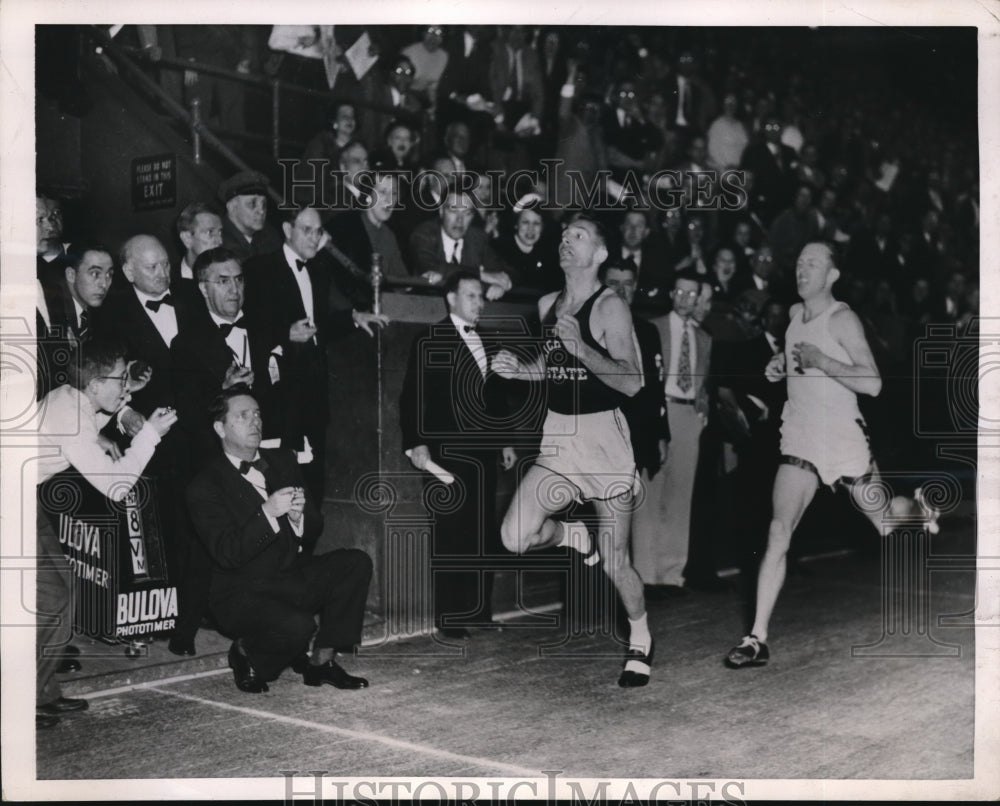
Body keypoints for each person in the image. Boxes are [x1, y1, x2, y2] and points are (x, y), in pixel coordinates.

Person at [724, 243, 939, 669]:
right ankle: (756, 638)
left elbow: (873, 383)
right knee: (778, 530)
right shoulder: (790, 316)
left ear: (832, 275)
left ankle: (919, 508)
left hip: (842, 437)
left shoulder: (842, 319)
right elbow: (794, 362)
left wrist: (821, 360)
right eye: (799, 262)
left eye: (813, 264)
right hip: (801, 435)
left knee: (883, 523)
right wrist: (779, 366)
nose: (802, 270)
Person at [492, 215, 654, 688]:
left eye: (578, 236)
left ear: (600, 254)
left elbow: (632, 381)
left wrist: (582, 347)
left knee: (616, 562)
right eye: (563, 236)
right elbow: (552, 363)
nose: (566, 242)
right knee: (514, 536)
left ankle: (640, 639)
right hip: (559, 435)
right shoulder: (549, 302)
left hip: (604, 438)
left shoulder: (610, 308)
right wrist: (521, 371)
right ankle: (571, 536)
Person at [185, 387, 372, 693]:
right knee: (299, 627)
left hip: (287, 574)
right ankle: (246, 653)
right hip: (240, 591)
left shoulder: (282, 460)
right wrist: (268, 514)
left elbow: (315, 526)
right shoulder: (205, 485)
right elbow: (228, 553)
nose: (254, 421)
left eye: (257, 414)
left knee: (355, 563)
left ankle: (321, 662)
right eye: (243, 416)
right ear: (220, 428)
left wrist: (298, 520)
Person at [36, 338, 177, 727]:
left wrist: (124, 395)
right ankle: (22, 699)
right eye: (119, 378)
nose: (125, 386)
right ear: (95, 383)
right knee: (49, 596)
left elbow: (86, 425)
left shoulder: (74, 398)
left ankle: (42, 693)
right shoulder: (72, 414)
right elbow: (116, 486)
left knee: (61, 587)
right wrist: (150, 434)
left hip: (20, 495)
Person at [400, 271, 515, 638]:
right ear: (451, 299)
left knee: (481, 531)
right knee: (451, 534)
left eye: (481, 297)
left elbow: (495, 400)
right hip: (445, 455)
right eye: (471, 296)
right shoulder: (430, 339)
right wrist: (417, 442)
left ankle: (479, 611)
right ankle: (449, 616)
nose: (478, 303)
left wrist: (505, 441)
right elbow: (412, 396)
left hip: (481, 453)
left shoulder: (488, 340)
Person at [243, 206, 387, 500]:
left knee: (314, 484)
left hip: (314, 393)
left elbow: (317, 325)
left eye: (318, 231)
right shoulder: (260, 268)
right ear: (287, 230)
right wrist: (285, 334)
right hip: (279, 395)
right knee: (280, 480)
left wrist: (352, 318)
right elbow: (250, 324)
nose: (313, 238)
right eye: (306, 230)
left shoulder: (318, 271)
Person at [630, 272, 712, 595]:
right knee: (648, 494)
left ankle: (672, 573)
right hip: (659, 411)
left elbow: (703, 379)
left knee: (680, 496)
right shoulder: (654, 326)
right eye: (679, 291)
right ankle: (645, 574)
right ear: (671, 293)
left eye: (691, 295)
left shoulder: (704, 337)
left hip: (688, 413)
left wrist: (702, 406)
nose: (684, 299)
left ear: (698, 299)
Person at [409, 185, 515, 298]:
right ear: (441, 211)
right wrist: (481, 275)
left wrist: (501, 284)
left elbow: (507, 272)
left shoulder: (477, 238)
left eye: (467, 213)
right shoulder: (424, 234)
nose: (460, 220)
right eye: (453, 210)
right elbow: (431, 266)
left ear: (473, 216)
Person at [218, 171, 283, 263]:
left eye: (263, 204)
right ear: (232, 207)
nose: (261, 211)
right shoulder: (217, 241)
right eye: (252, 204)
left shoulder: (271, 236)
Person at [174, 201, 223, 287]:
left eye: (220, 232)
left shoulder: (230, 276)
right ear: (187, 238)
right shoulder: (169, 280)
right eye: (210, 232)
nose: (220, 241)